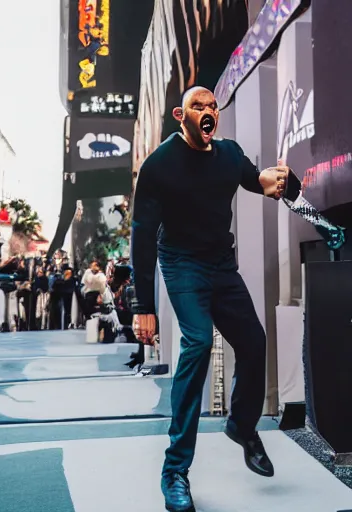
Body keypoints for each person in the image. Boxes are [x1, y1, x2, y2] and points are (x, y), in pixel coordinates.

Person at [130, 86, 290, 512]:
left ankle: (241, 427)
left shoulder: (229, 154)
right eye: (198, 106)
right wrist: (143, 306)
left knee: (254, 342)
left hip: (221, 264)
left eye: (213, 106)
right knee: (198, 343)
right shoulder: (159, 165)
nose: (208, 112)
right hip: (181, 263)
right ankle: (175, 471)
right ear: (181, 115)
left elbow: (258, 181)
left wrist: (278, 184)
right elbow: (142, 238)